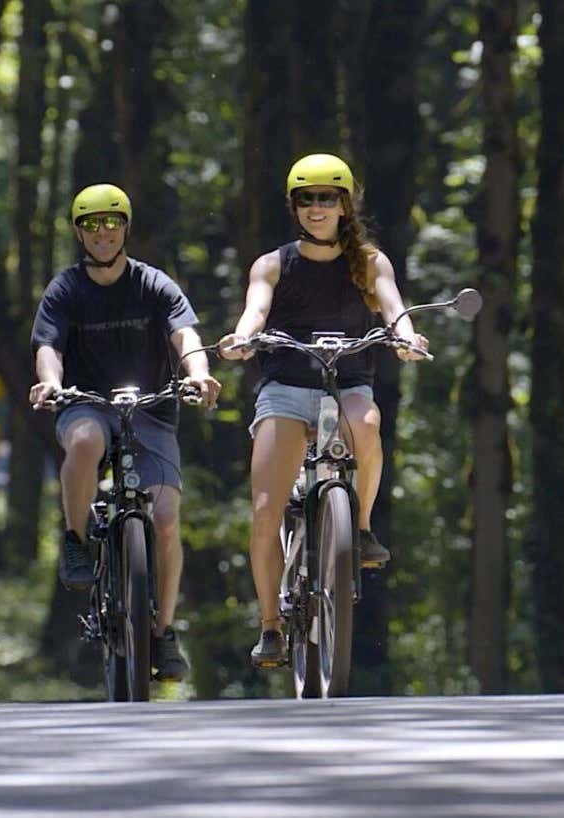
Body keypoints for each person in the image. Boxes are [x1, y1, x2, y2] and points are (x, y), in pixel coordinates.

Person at [218, 154, 430, 670]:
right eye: (307, 199)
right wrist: (244, 338)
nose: (317, 208)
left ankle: (358, 527)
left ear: (345, 204)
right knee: (267, 511)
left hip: (349, 381)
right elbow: (255, 308)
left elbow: (392, 306)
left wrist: (405, 338)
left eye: (327, 197)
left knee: (369, 423)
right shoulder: (272, 263)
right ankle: (271, 626)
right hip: (286, 388)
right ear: (295, 207)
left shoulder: (369, 260)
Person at [27, 183, 222, 683]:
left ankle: (163, 629)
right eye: (92, 224)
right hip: (86, 405)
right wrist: (50, 384)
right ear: (78, 233)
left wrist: (197, 373)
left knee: (165, 517)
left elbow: (185, 334)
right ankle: (75, 539)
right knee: (87, 443)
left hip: (152, 409)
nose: (103, 233)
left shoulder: (153, 284)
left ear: (126, 228)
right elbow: (49, 347)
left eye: (112, 222)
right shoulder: (65, 288)